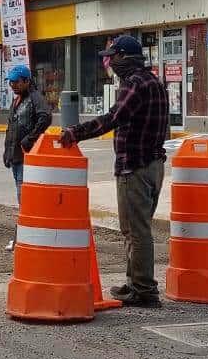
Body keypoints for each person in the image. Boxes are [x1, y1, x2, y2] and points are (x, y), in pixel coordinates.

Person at [57, 35, 169, 306]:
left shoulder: (133, 85)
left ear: (124, 57)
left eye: (112, 57)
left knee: (135, 230)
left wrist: (76, 132)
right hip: (154, 165)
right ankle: (135, 284)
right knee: (138, 228)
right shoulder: (155, 82)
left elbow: (112, 119)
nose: (110, 63)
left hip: (135, 167)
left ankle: (143, 288)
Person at [3, 63, 51, 251]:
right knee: (22, 198)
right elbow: (11, 128)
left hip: (27, 158)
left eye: (16, 82)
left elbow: (45, 117)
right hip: (16, 157)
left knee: (25, 199)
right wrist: (7, 151)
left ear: (26, 81)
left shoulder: (34, 98)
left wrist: (29, 139)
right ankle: (23, 237)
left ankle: (24, 238)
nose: (13, 85)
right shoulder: (18, 100)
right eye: (11, 82)